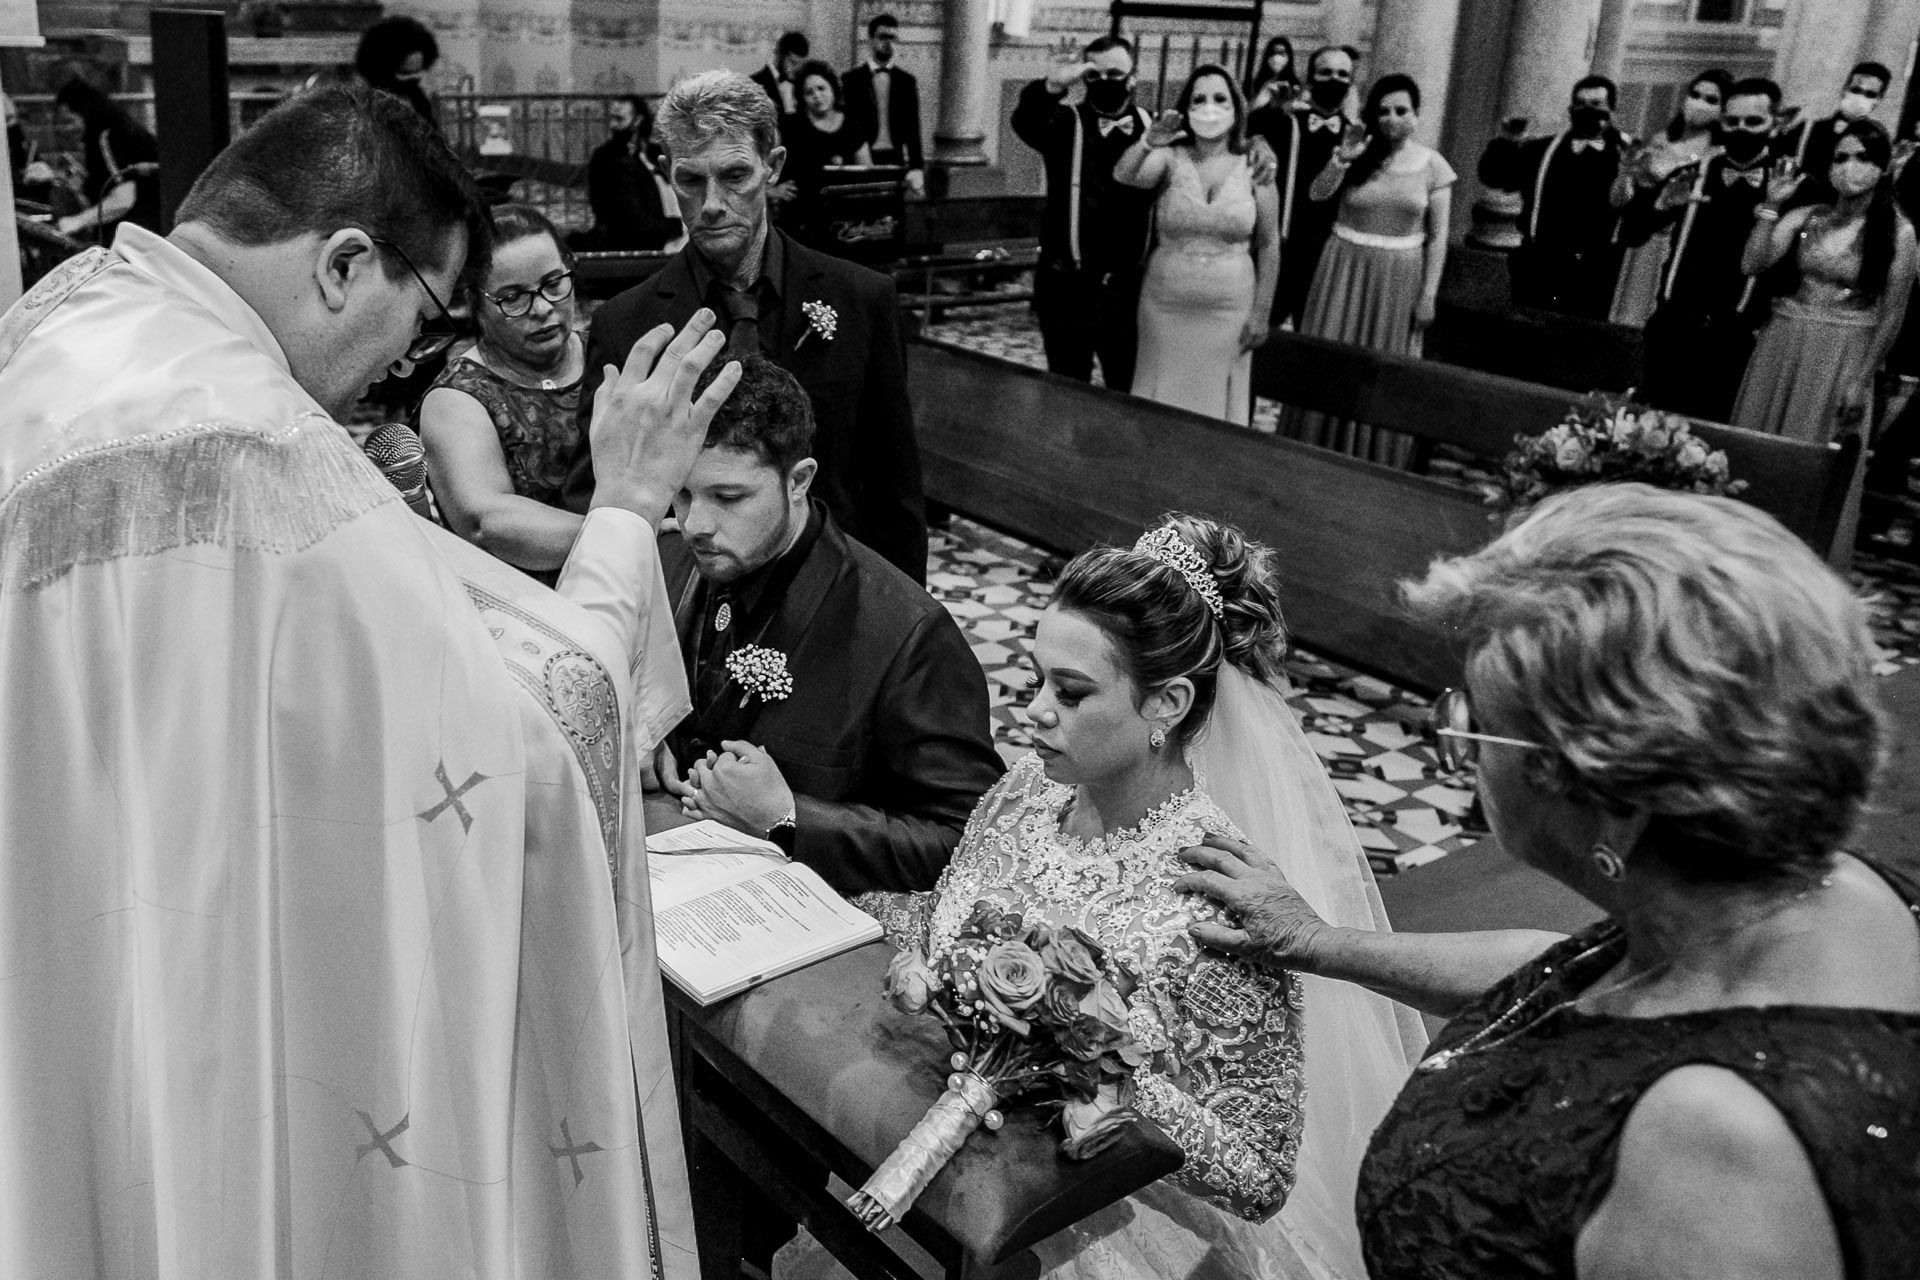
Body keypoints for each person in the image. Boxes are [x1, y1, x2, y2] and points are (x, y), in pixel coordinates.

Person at [0, 83, 733, 1279]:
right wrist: (628, 506)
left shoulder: (65, 327)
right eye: (425, 314)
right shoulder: (245, 447)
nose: (401, 365)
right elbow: (526, 740)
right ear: (346, 262)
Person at [1177, 483, 1920, 1280]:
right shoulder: (1821, 892)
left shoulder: (1715, 1158)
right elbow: (1572, 979)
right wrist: (1317, 941)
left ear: (1611, 792)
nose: (1455, 751)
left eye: (1474, 725)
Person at [880, 514, 1423, 1280]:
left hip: (1108, 1243)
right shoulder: (1030, 786)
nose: (1034, 711)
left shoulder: (1217, 893)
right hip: (949, 1163)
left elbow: (1259, 1174)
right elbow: (941, 917)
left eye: (1069, 692)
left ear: (1166, 705)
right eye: (1036, 678)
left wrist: (1098, 1071)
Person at [653, 355, 1003, 894]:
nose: (695, 523)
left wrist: (791, 816)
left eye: (728, 497)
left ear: (799, 480)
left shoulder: (905, 632)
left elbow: (970, 839)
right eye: (681, 492)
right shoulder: (669, 558)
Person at [581, 69, 930, 583]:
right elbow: (593, 494)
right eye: (691, 181)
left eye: (735, 175)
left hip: (833, 581)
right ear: (665, 172)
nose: (714, 205)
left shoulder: (860, 298)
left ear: (773, 165)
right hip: (684, 592)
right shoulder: (626, 324)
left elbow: (892, 482)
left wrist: (905, 623)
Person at [1282, 73, 1455, 466]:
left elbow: (1439, 238)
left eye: (1401, 110)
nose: (1392, 118)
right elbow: (1316, 194)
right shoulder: (1356, 153)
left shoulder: (1434, 166)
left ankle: (1375, 459)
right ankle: (1312, 447)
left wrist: (1428, 294)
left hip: (1399, 277)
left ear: (1416, 114)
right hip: (1343, 269)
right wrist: (1341, 158)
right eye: (1383, 111)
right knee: (1330, 360)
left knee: (1384, 367)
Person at [420, 203, 591, 577]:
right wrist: (633, 534)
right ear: (474, 304)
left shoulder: (609, 352)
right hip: (523, 611)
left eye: (553, 284)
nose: (543, 307)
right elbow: (488, 523)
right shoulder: (457, 398)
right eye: (512, 297)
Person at [1733, 118, 1917, 443]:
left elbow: (1892, 315)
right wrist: (1772, 205)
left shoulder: (1898, 232)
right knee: (1756, 441)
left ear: (1883, 166)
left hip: (1843, 351)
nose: (1850, 167)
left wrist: (1861, 381)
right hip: (1784, 337)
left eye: (1863, 158)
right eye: (1841, 158)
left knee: (1812, 446)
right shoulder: (1807, 215)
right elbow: (1751, 263)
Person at [1116, 65, 1279, 426]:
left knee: (1217, 407)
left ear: (1236, 108)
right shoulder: (1171, 159)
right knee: (1159, 400)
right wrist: (1147, 142)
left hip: (1230, 309)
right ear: (1186, 109)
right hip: (1165, 305)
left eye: (1220, 99)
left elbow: (1269, 244)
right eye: (1199, 99)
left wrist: (1261, 313)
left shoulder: (1256, 166)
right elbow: (1124, 175)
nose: (1210, 107)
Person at [1616, 77, 1781, 422]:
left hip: (1736, 337)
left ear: (1774, 124)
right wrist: (1660, 205)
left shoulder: (1789, 185)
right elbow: (1631, 233)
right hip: (1673, 325)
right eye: (1732, 121)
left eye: (1753, 122)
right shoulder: (1692, 174)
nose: (1741, 130)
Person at [1012, 36, 1156, 391]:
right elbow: (1025, 122)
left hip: (1129, 288)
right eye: (1094, 74)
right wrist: (1053, 86)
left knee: (1127, 392)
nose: (1105, 81)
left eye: (1115, 73)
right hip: (1067, 282)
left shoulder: (1153, 129)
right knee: (1066, 391)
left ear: (1133, 77)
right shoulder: (1063, 121)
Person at [1477, 75, 1632, 320]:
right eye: (1580, 104)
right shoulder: (1541, 151)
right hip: (1539, 268)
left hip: (1594, 275)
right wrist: (1506, 140)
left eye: (1596, 104)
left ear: (1612, 110)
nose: (1586, 111)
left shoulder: (1629, 155)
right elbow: (1495, 177)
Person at [1609, 69, 1731, 326]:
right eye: (1695, 94)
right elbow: (1621, 201)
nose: (1699, 103)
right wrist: (1626, 173)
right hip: (1636, 239)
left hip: (1672, 246)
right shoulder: (1660, 139)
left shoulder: (1715, 154)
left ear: (1723, 110)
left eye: (1711, 100)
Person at [1250, 45, 1358, 329]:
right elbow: (1248, 130)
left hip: (1325, 254)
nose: (1334, 79)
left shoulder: (1354, 136)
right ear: (1310, 80)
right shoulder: (1287, 120)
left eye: (1342, 74)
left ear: (1350, 83)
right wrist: (1272, 111)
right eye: (1326, 72)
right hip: (1279, 244)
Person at [49, 78, 160, 241]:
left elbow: (122, 199)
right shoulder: (118, 130)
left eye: (69, 121)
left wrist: (77, 221)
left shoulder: (107, 138)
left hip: (138, 233)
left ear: (87, 115)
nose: (66, 129)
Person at [779, 61, 874, 247]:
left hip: (844, 221)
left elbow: (868, 175)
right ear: (802, 97)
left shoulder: (852, 127)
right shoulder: (790, 126)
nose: (817, 96)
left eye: (821, 88)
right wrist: (771, 190)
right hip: (799, 219)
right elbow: (761, 163)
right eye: (809, 92)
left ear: (833, 90)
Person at [1779, 60, 1894, 208]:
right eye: (1856, 90)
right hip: (1801, 211)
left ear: (1879, 100)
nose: (1860, 98)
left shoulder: (1879, 140)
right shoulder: (1807, 129)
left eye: (1870, 94)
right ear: (1844, 90)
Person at [581, 95, 682, 252]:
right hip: (634, 240)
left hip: (673, 234)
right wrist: (676, 226)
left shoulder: (656, 153)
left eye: (619, 119)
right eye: (612, 119)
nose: (613, 125)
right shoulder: (606, 157)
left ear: (637, 121)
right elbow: (625, 213)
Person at [842, 13, 925, 193]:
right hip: (859, 157)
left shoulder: (906, 81)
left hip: (894, 159)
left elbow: (913, 126)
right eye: (882, 37)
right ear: (871, 39)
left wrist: (916, 166)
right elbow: (846, 123)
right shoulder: (851, 80)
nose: (888, 43)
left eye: (893, 38)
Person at [354, 14, 439, 123]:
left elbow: (432, 133)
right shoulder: (374, 106)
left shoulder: (419, 100)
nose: (415, 78)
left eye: (418, 72)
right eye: (406, 73)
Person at [752, 30, 811, 123]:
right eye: (793, 62)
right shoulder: (754, 84)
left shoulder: (805, 84)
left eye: (801, 65)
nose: (797, 69)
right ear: (780, 55)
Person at [1247, 35, 1298, 113]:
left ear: (1289, 57)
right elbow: (1246, 111)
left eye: (1281, 53)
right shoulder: (1254, 83)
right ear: (1267, 57)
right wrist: (1258, 101)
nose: (1276, 58)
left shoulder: (1294, 84)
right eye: (1272, 53)